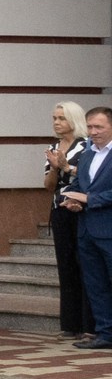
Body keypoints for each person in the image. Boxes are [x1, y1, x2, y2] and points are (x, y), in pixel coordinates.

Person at [60, 105, 112, 350]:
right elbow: (81, 183)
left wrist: (90, 200)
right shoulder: (89, 153)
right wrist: (73, 200)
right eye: (90, 127)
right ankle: (105, 332)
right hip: (87, 230)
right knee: (95, 284)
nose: (93, 132)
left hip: (109, 230)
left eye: (99, 127)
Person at [44, 100, 93, 341]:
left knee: (84, 264)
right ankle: (69, 323)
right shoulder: (53, 147)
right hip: (59, 209)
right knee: (65, 266)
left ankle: (88, 323)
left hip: (81, 210)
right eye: (54, 118)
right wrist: (55, 168)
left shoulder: (86, 146)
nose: (56, 122)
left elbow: (88, 178)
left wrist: (66, 166)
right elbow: (48, 185)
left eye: (61, 118)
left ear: (74, 120)